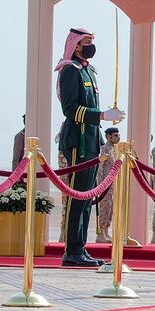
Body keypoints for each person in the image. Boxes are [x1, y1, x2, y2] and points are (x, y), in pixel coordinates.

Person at [56, 28, 125, 266]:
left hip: (91, 140)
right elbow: (71, 110)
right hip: (78, 140)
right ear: (76, 45)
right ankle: (72, 251)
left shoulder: (89, 71)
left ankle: (80, 247)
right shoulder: (69, 71)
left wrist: (104, 115)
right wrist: (102, 115)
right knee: (78, 197)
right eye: (87, 42)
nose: (90, 46)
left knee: (87, 198)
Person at [96, 127, 121, 243]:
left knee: (110, 209)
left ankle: (106, 231)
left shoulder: (116, 150)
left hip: (114, 184)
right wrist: (101, 184)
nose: (118, 137)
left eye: (118, 135)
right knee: (105, 208)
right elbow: (100, 167)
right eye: (115, 135)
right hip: (106, 184)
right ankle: (101, 233)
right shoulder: (104, 149)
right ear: (109, 136)